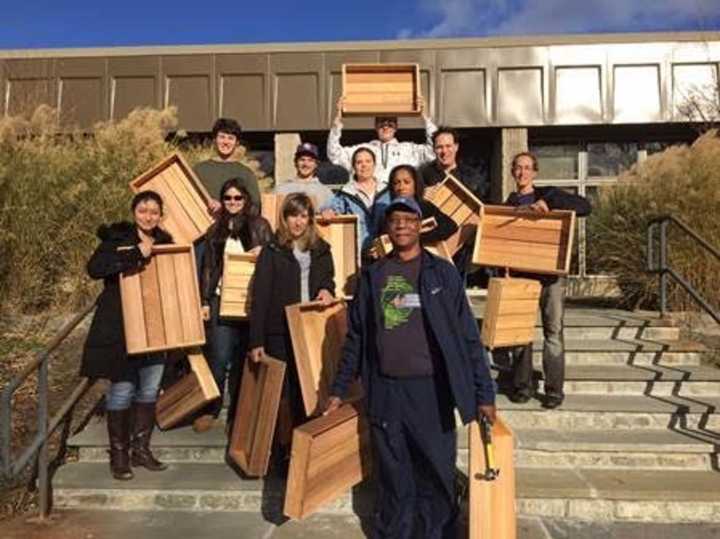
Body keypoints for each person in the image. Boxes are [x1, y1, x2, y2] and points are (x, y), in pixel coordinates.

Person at [324, 196, 496, 538]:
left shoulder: (442, 273)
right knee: (393, 472)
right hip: (387, 391)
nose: (401, 225)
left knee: (435, 469)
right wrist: (338, 389)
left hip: (432, 391)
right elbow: (356, 337)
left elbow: (467, 337)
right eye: (395, 220)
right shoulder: (373, 276)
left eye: (408, 219)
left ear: (420, 225)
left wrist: (484, 393)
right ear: (387, 228)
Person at [80, 191, 173, 481]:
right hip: (121, 327)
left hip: (155, 326)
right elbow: (95, 269)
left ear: (161, 215)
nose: (148, 216)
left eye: (154, 211)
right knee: (122, 389)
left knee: (148, 389)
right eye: (143, 210)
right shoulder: (117, 238)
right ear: (134, 212)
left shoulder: (167, 242)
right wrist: (136, 253)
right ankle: (119, 455)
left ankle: (140, 449)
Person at [248, 193, 335, 461]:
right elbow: (260, 296)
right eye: (293, 215)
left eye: (303, 215)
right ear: (284, 218)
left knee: (306, 391)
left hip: (309, 329)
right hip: (279, 331)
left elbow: (328, 280)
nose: (298, 221)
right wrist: (256, 340)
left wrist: (326, 290)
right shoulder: (273, 251)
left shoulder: (321, 248)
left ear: (309, 218)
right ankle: (282, 451)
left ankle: (304, 448)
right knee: (282, 394)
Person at [501, 151, 592, 409]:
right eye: (518, 167)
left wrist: (549, 207)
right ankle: (523, 387)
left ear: (535, 172)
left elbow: (586, 206)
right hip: (520, 278)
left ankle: (553, 391)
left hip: (550, 278)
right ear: (512, 171)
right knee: (520, 334)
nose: (522, 172)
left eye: (527, 168)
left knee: (553, 333)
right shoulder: (506, 206)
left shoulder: (550, 194)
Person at [193, 180, 273, 433]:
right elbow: (207, 268)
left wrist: (265, 251)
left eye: (238, 198)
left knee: (243, 360)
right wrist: (205, 300)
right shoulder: (215, 229)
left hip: (251, 300)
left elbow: (275, 259)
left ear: (246, 200)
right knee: (218, 357)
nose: (233, 202)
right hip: (220, 298)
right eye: (228, 198)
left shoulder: (260, 225)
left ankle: (238, 415)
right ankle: (212, 408)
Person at [327, 96, 437, 185]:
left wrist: (426, 117)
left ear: (396, 127)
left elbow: (433, 151)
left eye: (390, 123)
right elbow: (334, 154)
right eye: (381, 123)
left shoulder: (409, 149)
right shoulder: (363, 149)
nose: (385, 127)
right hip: (370, 203)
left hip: (398, 202)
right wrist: (338, 120)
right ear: (375, 126)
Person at [370, 164, 457, 252]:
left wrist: (416, 238)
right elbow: (382, 243)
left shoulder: (425, 207)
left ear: (415, 185)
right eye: (396, 183)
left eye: (407, 182)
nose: (401, 187)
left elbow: (451, 226)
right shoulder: (388, 214)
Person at [321, 147, 390, 256]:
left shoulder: (388, 191)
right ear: (354, 167)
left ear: (374, 165)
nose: (364, 165)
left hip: (385, 253)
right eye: (359, 162)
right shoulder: (346, 193)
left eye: (368, 161)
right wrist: (327, 211)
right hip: (357, 254)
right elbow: (331, 208)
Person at [194, 118, 261, 213]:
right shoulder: (199, 170)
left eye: (230, 138)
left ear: (237, 143)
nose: (226, 142)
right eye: (222, 137)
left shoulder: (246, 173)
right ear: (214, 140)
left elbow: (255, 207)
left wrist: (227, 207)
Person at [421, 127, 488, 201]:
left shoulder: (471, 176)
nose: (444, 151)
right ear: (433, 149)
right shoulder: (423, 175)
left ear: (456, 147)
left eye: (448, 146)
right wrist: (421, 197)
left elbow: (481, 205)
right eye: (439, 147)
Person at [274, 142, 334, 209]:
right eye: (302, 160)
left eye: (310, 160)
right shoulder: (281, 189)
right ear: (295, 163)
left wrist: (330, 213)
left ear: (316, 165)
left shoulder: (325, 192)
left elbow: (335, 214)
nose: (306, 164)